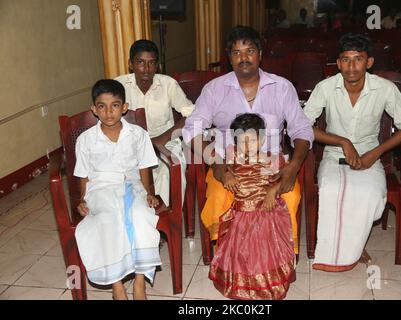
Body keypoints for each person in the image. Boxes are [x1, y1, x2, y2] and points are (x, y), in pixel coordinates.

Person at [182, 26, 313, 254]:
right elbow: (191, 129)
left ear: (260, 53)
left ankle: (279, 255)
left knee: (290, 197)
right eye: (236, 53)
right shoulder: (214, 89)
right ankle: (231, 254)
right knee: (217, 197)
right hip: (228, 166)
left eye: (249, 51)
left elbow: (302, 130)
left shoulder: (281, 88)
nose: (243, 58)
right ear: (229, 58)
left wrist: (293, 167)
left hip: (271, 167)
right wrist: (217, 163)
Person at [303, 33, 401, 272]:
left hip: (369, 156)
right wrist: (342, 141)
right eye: (345, 59)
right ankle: (334, 254)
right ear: (338, 63)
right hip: (334, 155)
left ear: (369, 62)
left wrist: (376, 153)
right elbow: (302, 125)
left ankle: (353, 247)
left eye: (358, 59)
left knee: (369, 192)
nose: (351, 66)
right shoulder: (326, 87)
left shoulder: (384, 88)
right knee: (333, 189)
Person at [74, 79, 161, 299]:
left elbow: (144, 167)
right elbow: (83, 174)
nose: (109, 112)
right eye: (102, 106)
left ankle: (139, 282)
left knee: (141, 215)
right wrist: (83, 200)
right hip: (100, 190)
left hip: (132, 186)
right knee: (109, 219)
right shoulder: (86, 140)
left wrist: (149, 193)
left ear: (124, 107)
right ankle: (117, 285)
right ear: (94, 110)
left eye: (115, 105)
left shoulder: (137, 134)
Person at [208, 113, 296, 300]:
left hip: (266, 212)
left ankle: (265, 284)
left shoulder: (271, 159)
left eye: (253, 141)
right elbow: (217, 168)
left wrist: (273, 190)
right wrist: (225, 174)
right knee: (241, 253)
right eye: (242, 142)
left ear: (262, 138)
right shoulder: (233, 160)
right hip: (240, 214)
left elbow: (286, 179)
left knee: (263, 252)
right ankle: (241, 284)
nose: (247, 146)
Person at [115, 40, 195, 207]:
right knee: (120, 176)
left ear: (157, 65)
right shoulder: (119, 85)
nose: (146, 68)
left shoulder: (168, 84)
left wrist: (161, 139)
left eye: (151, 63)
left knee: (171, 168)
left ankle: (165, 217)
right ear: (131, 64)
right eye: (140, 62)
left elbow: (193, 116)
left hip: (165, 141)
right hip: (129, 144)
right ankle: (136, 217)